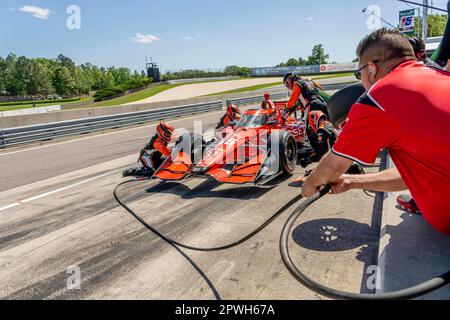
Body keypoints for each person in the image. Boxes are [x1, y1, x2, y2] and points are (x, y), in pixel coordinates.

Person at [301, 28, 450, 235]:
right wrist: (353, 181)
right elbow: (419, 175)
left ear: (371, 68)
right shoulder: (442, 75)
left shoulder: (379, 97)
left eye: (358, 72)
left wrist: (310, 184)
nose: (360, 78)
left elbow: (333, 166)